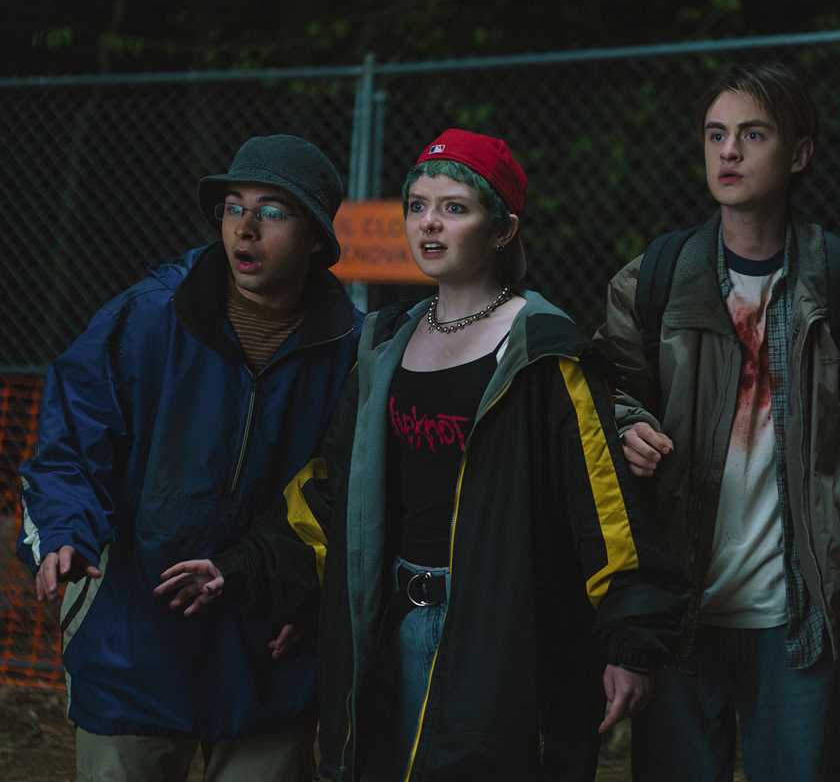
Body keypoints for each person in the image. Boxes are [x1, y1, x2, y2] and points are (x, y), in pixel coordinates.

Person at [156, 127, 687, 781]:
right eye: (417, 206)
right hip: (388, 626)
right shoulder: (384, 346)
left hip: (500, 637)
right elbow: (334, 494)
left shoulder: (543, 352)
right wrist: (238, 568)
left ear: (502, 229)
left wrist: (633, 642)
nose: (429, 223)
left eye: (454, 208)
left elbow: (605, 511)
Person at [593, 61, 840, 781]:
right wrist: (624, 424)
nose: (729, 151)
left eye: (753, 134)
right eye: (715, 134)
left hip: (799, 617)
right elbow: (598, 400)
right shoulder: (651, 280)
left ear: (799, 153)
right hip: (677, 612)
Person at [17, 134, 362, 781]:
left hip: (267, 646)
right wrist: (64, 530)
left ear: (316, 236)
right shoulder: (149, 317)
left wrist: (302, 596)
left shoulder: (351, 351)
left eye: (272, 212)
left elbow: (345, 495)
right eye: (234, 208)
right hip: (133, 634)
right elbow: (69, 445)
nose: (246, 229)